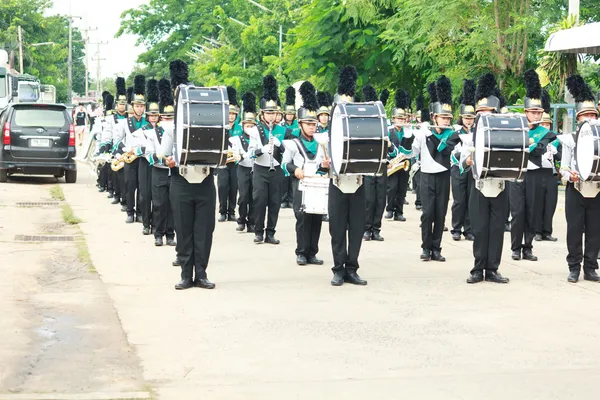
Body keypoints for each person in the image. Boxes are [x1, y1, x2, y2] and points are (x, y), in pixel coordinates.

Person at [166, 60, 217, 290]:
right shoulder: (170, 127)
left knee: (204, 231)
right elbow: (160, 156)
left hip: (205, 180)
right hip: (180, 181)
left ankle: (202, 273)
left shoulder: (209, 123)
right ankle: (186, 275)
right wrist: (168, 160)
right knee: (184, 230)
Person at [461, 73, 510, 284]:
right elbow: (459, 160)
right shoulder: (468, 136)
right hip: (479, 186)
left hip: (499, 185)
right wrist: (468, 161)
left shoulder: (508, 135)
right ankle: (477, 268)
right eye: (480, 112)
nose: (483, 116)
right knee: (479, 228)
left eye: (488, 112)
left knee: (497, 229)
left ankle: (492, 269)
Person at [510, 69, 556, 261]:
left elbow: (539, 151)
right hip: (517, 173)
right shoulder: (516, 126)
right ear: (526, 112)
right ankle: (515, 247)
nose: (537, 115)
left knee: (532, 211)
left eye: (539, 112)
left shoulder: (546, 133)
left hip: (535, 174)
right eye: (533, 112)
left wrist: (531, 144)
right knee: (518, 212)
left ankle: (527, 247)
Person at [282, 81, 330, 265]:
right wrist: (296, 170)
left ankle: (312, 252)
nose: (312, 127)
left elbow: (323, 166)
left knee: (316, 216)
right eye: (308, 124)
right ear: (300, 124)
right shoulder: (292, 143)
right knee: (302, 217)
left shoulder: (321, 143)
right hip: (300, 183)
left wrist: (325, 166)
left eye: (314, 123)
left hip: (317, 183)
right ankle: (301, 252)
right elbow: (284, 165)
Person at [328, 66, 368, 287]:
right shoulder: (329, 129)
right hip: (337, 183)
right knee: (337, 228)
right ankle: (338, 269)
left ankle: (352, 268)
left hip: (358, 182)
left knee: (357, 227)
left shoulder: (362, 126)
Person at [412, 76, 460, 261]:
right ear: (434, 117)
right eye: (443, 117)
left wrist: (432, 134)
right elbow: (411, 152)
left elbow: (446, 150)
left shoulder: (453, 135)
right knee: (427, 213)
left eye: (448, 117)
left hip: (443, 176)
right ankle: (426, 248)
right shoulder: (424, 132)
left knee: (440, 213)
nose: (446, 121)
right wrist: (416, 134)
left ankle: (436, 248)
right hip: (426, 176)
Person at [560, 74, 600, 283]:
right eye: (585, 116)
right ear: (578, 119)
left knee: (595, 230)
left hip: (597, 189)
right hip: (575, 189)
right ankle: (574, 267)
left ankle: (591, 268)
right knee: (574, 230)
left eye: (593, 115)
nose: (589, 119)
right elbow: (563, 168)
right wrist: (570, 174)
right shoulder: (569, 140)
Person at [249, 75, 288, 245]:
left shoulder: (283, 130)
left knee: (274, 202)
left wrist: (281, 145)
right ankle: (258, 231)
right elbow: (251, 153)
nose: (271, 117)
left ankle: (270, 232)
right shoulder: (255, 130)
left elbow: (293, 150)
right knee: (259, 200)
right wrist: (262, 149)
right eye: (268, 113)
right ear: (262, 114)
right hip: (260, 168)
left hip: (277, 169)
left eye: (274, 113)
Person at [144, 78, 176, 246]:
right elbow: (148, 155)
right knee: (159, 204)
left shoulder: (179, 132)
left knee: (172, 204)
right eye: (165, 117)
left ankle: (171, 234)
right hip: (158, 170)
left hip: (174, 171)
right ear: (159, 118)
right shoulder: (151, 133)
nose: (168, 120)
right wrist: (160, 157)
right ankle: (158, 233)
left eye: (171, 118)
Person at [118, 75, 150, 226]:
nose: (139, 108)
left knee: (142, 188)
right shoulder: (125, 122)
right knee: (130, 186)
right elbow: (118, 141)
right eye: (137, 106)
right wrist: (125, 149)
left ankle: (140, 214)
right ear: (132, 106)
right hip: (130, 158)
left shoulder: (148, 122)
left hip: (143, 158)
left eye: (142, 106)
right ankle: (130, 212)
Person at [363, 85, 393, 241]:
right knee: (368, 199)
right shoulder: (360, 126)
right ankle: (366, 229)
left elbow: (393, 152)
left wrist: (389, 145)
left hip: (381, 166)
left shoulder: (384, 127)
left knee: (381, 199)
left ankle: (376, 228)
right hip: (368, 166)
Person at [450, 79, 476, 241]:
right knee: (459, 200)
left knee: (471, 200)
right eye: (466, 117)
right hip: (458, 167)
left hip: (472, 168)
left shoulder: (478, 131)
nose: (468, 120)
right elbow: (451, 152)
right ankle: (456, 228)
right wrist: (463, 160)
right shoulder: (455, 131)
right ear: (461, 117)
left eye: (471, 117)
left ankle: (469, 229)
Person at [385, 89, 414, 223]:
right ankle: (390, 209)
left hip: (405, 163)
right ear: (393, 119)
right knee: (392, 187)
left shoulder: (408, 131)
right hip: (392, 163)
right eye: (398, 118)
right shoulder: (389, 131)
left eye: (403, 118)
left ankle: (399, 211)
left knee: (402, 188)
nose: (401, 121)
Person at [534, 89, 559, 242]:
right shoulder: (534, 137)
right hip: (537, 172)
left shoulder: (555, 138)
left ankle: (547, 231)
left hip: (551, 174)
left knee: (550, 203)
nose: (545, 126)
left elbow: (561, 158)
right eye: (543, 123)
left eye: (547, 124)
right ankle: (537, 230)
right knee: (537, 202)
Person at [231, 92, 257, 233]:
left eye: (252, 125)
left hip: (254, 169)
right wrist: (238, 156)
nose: (249, 127)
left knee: (254, 196)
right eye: (247, 125)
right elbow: (234, 153)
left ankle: (252, 222)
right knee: (243, 196)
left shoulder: (258, 138)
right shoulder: (236, 139)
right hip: (242, 169)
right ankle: (241, 220)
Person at [216, 87, 241, 222]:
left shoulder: (240, 129)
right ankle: (222, 211)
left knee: (234, 186)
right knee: (222, 186)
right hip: (223, 161)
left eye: (233, 114)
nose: (231, 116)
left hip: (235, 162)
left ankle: (231, 212)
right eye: (229, 113)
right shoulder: (220, 127)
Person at [108, 78, 129, 212]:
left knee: (125, 178)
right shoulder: (111, 118)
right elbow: (109, 133)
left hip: (126, 149)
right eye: (120, 104)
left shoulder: (129, 118)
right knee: (116, 174)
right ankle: (116, 194)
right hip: (115, 149)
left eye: (124, 104)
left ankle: (125, 199)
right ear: (116, 105)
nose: (122, 106)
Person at [280, 86, 298, 209]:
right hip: (284, 151)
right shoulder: (281, 126)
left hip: (295, 151)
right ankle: (283, 198)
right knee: (283, 177)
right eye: (288, 114)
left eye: (292, 114)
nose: (290, 116)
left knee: (292, 176)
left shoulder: (298, 125)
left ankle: (291, 199)